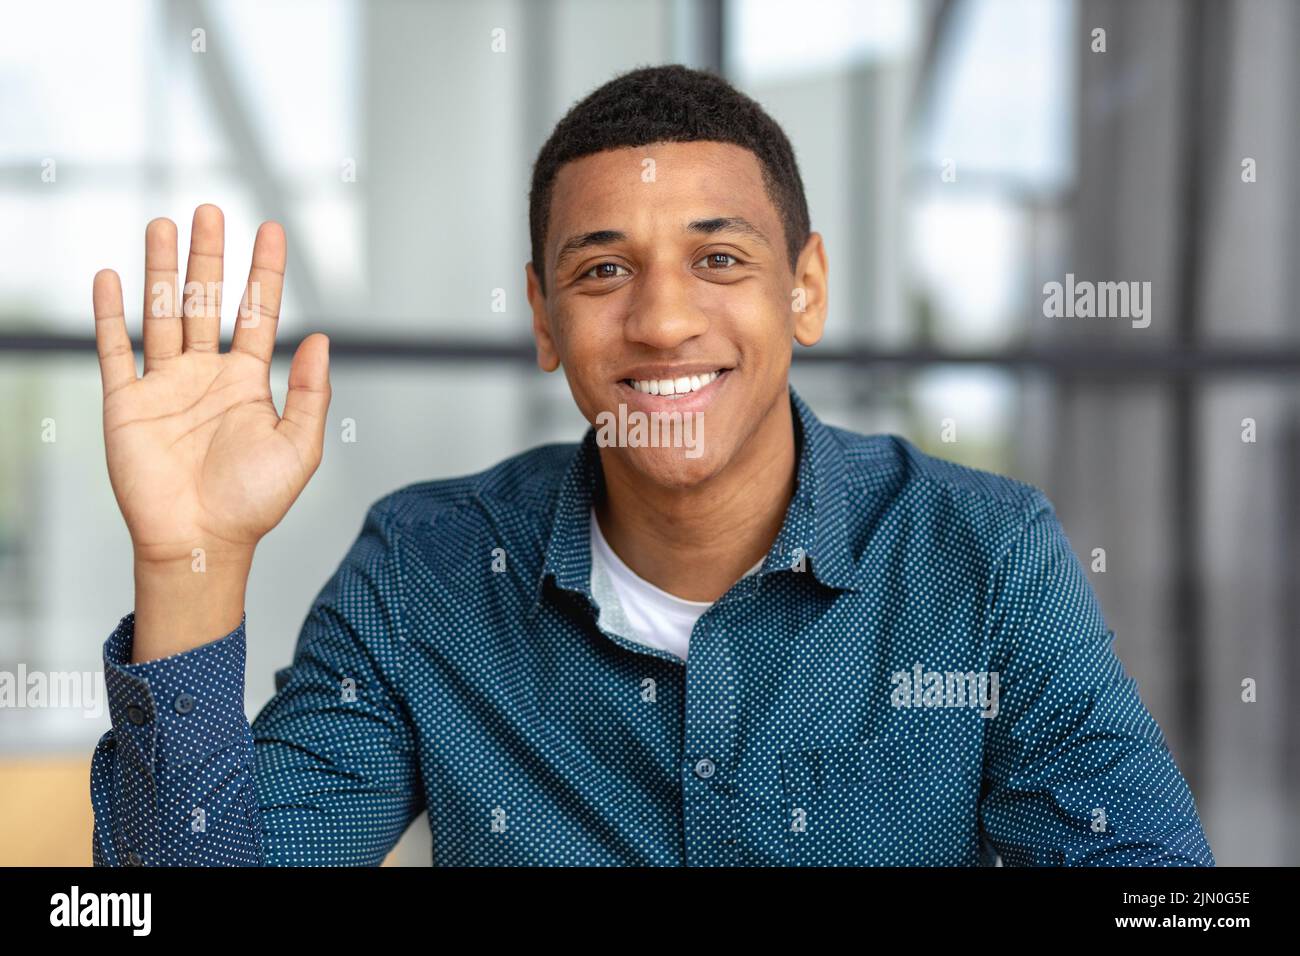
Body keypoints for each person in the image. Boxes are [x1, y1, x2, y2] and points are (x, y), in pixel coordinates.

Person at [88, 64, 1213, 866]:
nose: (664, 320)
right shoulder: (422, 571)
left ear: (804, 288)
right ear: (543, 319)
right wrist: (190, 558)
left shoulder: (985, 557)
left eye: (717, 258)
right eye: (602, 271)